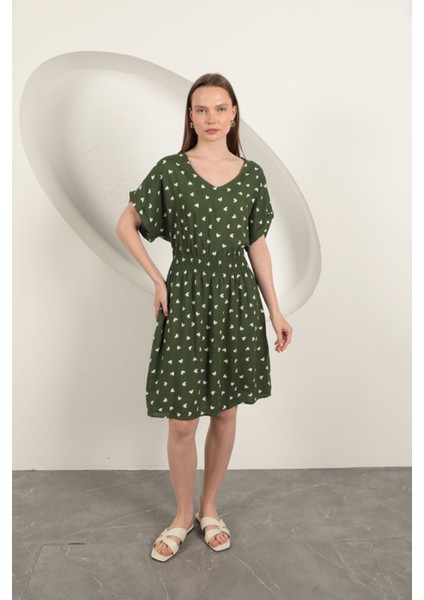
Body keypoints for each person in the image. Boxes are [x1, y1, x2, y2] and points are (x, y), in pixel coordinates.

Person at [115, 73, 293, 562]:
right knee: (181, 421)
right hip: (188, 298)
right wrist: (158, 280)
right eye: (201, 109)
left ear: (234, 115)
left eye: (220, 108)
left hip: (236, 300)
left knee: (226, 411)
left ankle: (209, 508)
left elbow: (258, 246)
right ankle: (181, 513)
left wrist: (275, 310)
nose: (211, 118)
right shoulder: (171, 170)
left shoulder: (251, 175)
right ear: (190, 117)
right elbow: (126, 224)